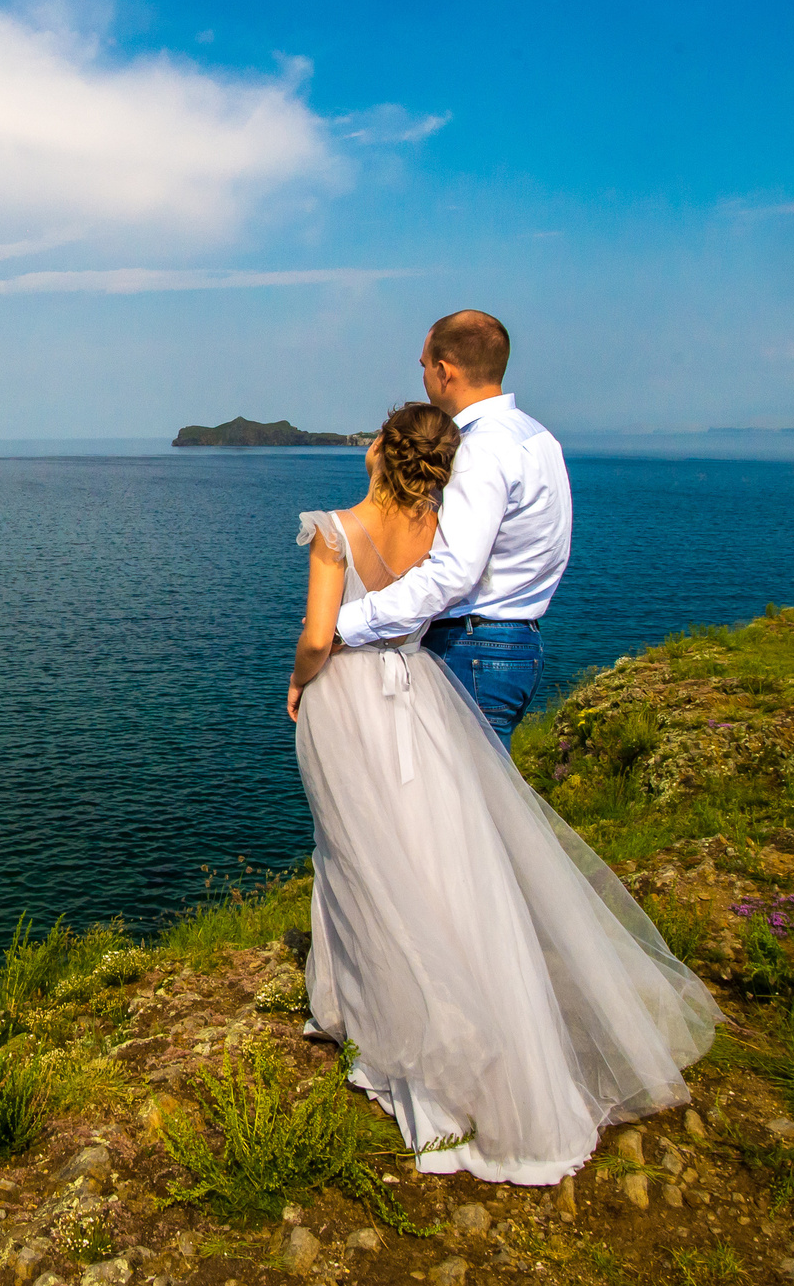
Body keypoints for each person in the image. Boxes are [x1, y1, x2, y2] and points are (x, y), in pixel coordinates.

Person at [286, 400, 718, 1183]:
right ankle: (451, 1005)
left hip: (348, 700)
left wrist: (298, 677)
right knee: (430, 854)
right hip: (419, 693)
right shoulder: (436, 528)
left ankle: (375, 1011)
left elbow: (320, 635)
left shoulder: (332, 531)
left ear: (383, 450)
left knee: (356, 851)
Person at [335, 310, 569, 747]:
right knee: (484, 784)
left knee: (460, 791)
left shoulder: (478, 450)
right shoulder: (539, 438)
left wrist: (345, 624)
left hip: (472, 648)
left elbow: (453, 572)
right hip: (521, 644)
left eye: (424, 365)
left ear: (444, 372)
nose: (423, 375)